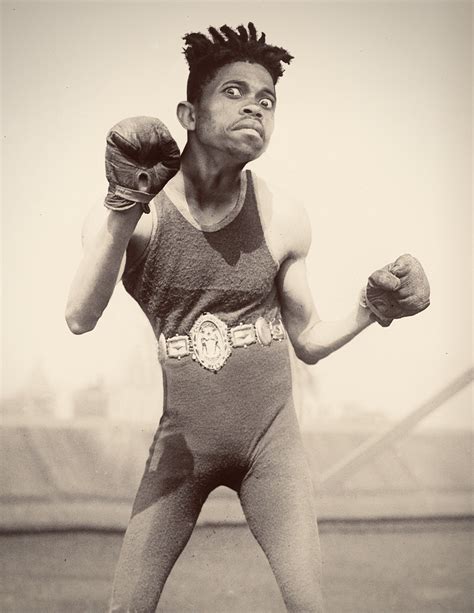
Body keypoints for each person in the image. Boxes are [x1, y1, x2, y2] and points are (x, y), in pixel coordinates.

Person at [65, 22, 430, 613]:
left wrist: (371, 310)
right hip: (182, 450)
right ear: (187, 114)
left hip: (271, 448)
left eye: (267, 99)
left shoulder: (283, 215)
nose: (255, 107)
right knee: (126, 608)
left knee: (309, 602)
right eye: (233, 92)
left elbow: (307, 341)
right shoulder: (138, 214)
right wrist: (123, 208)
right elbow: (80, 317)